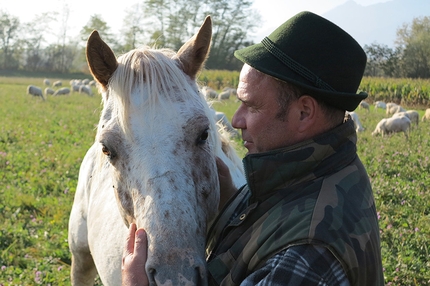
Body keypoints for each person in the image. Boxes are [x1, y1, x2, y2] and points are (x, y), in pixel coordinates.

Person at [122, 11, 384, 285]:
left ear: (304, 113)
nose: (235, 120)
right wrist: (232, 204)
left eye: (252, 106)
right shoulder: (331, 168)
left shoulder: (305, 257)